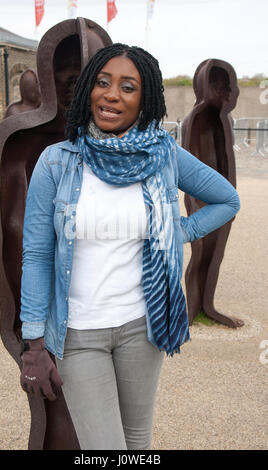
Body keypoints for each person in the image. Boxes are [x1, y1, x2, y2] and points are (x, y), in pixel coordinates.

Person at [19, 43, 240, 450]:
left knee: (137, 443)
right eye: (102, 83)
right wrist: (33, 344)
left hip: (144, 326)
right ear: (89, 89)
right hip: (78, 333)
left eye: (128, 86)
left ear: (145, 98)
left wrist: (181, 231)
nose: (111, 95)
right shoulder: (57, 162)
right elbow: (36, 253)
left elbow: (227, 199)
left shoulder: (162, 154)